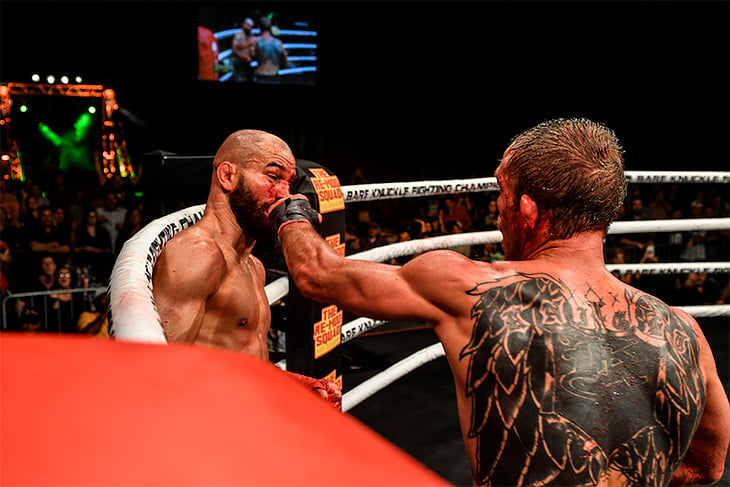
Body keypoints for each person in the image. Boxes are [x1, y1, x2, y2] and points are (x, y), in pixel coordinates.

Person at [272, 118, 730, 485]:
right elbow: (707, 466)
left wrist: (290, 209)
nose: (497, 208)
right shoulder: (685, 333)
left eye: (502, 193)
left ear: (527, 210)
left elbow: (318, 274)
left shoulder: (472, 288)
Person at [151, 129, 340, 407]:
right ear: (227, 176)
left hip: (247, 417)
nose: (284, 194)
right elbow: (161, 375)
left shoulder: (253, 266)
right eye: (273, 177)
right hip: (213, 425)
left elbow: (240, 362)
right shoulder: (197, 255)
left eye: (289, 183)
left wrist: (294, 383)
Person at [252, 16, 289, 84]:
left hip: (261, 76)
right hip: (274, 76)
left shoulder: (256, 41)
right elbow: (285, 62)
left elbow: (251, 56)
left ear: (259, 28)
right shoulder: (278, 43)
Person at [232, 17, 255, 82]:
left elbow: (252, 48)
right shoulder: (238, 35)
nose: (250, 28)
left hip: (248, 63)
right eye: (248, 25)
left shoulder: (251, 36)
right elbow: (234, 49)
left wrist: (252, 54)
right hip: (239, 62)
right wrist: (242, 56)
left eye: (251, 26)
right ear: (244, 24)